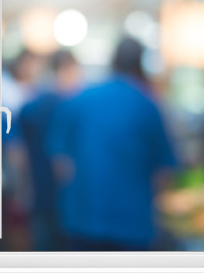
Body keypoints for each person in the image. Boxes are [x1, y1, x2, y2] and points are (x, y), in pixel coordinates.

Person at [48, 37, 177, 251]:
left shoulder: (78, 100)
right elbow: (164, 173)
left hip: (82, 220)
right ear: (140, 64)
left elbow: (60, 165)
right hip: (133, 226)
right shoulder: (148, 105)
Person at [19, 50, 81, 251]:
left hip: (37, 192)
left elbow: (18, 153)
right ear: (66, 70)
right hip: (68, 198)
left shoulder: (29, 105)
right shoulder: (71, 107)